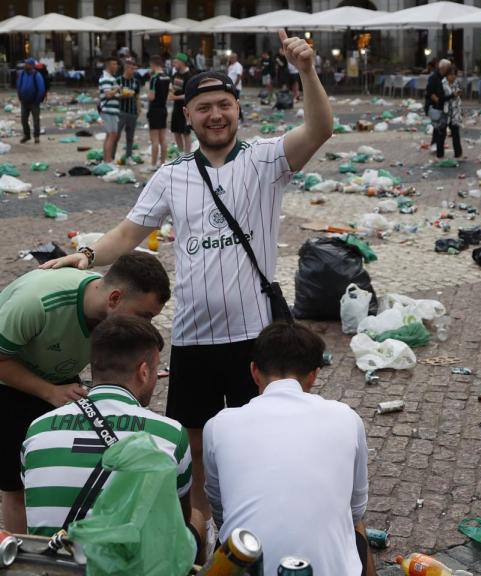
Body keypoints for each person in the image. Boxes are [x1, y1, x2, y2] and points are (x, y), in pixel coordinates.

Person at [43, 28, 334, 534]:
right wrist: (84, 256)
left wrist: (306, 70)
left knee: (254, 439)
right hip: (196, 335)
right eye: (204, 108)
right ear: (188, 117)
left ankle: (250, 523)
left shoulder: (267, 159)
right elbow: (130, 232)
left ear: (238, 110)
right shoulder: (171, 175)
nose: (216, 115)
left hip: (252, 334)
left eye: (224, 104)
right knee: (193, 442)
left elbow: (320, 129)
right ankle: (199, 530)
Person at [0, 253, 170, 534]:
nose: (146, 326)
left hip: (59, 379)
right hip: (8, 382)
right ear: (114, 299)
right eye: (145, 316)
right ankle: (23, 557)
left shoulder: (107, 311)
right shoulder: (37, 304)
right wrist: (50, 392)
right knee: (15, 486)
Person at [20, 315, 203, 560]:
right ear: (144, 372)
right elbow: (176, 523)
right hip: (124, 567)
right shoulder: (169, 433)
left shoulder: (38, 429)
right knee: (198, 520)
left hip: (52, 564)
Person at [204, 322, 371, 576]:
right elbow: (356, 508)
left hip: (244, 562)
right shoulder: (346, 418)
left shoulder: (219, 425)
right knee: (355, 524)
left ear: (254, 371)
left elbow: (220, 509)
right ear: (314, 375)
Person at [147, 55, 172, 172]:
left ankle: (153, 164)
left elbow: (151, 97)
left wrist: (148, 93)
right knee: (163, 138)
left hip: (154, 109)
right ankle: (163, 161)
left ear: (153, 64)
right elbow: (170, 92)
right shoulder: (167, 77)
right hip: (163, 108)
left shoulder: (154, 78)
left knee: (155, 139)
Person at [115, 58, 142, 165]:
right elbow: (114, 96)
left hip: (132, 112)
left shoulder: (136, 82)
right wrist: (123, 95)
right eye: (131, 69)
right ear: (126, 68)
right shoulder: (118, 81)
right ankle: (111, 156)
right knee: (116, 135)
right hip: (121, 111)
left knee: (130, 137)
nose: (133, 71)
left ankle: (128, 156)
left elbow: (137, 97)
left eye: (134, 69)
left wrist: (139, 109)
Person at [169, 53, 194, 157]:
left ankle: (187, 155)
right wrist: (170, 90)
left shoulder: (189, 76)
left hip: (185, 108)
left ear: (182, 62)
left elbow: (189, 94)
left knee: (185, 132)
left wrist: (175, 97)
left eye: (176, 62)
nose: (174, 64)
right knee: (176, 131)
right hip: (176, 107)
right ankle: (180, 154)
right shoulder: (176, 74)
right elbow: (174, 88)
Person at [16, 59, 46, 145]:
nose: (25, 65)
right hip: (24, 101)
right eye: (25, 64)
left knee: (36, 120)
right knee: (23, 119)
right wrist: (20, 95)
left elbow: (41, 89)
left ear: (32, 66)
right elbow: (19, 85)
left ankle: (36, 136)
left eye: (27, 64)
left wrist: (37, 100)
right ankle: (27, 135)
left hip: (34, 102)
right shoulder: (22, 74)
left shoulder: (37, 75)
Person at [426, 59, 450, 158]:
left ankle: (436, 145)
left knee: (439, 128)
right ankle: (436, 147)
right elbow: (430, 93)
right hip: (435, 106)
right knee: (439, 127)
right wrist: (439, 103)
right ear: (443, 68)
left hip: (442, 105)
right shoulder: (434, 78)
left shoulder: (445, 77)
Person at [99, 57, 121, 163]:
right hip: (108, 110)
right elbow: (108, 94)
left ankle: (107, 159)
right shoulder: (105, 78)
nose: (116, 67)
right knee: (112, 135)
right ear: (109, 65)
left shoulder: (111, 78)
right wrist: (117, 88)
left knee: (110, 135)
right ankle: (107, 160)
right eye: (114, 64)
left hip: (112, 110)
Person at [443, 65, 463, 159]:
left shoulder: (457, 83)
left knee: (455, 132)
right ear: (447, 75)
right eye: (451, 74)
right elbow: (442, 97)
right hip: (445, 110)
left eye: (454, 74)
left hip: (455, 111)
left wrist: (458, 93)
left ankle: (458, 153)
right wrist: (452, 95)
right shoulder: (443, 83)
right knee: (442, 133)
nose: (453, 77)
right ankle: (439, 152)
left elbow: (460, 92)